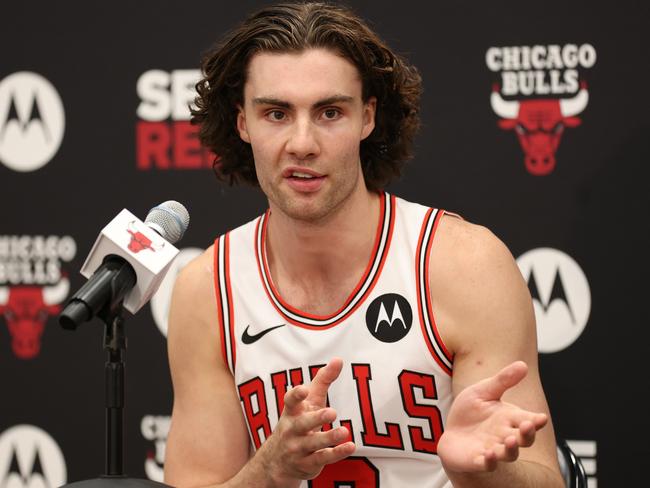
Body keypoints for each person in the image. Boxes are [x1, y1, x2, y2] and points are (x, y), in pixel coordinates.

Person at [164, 2, 564, 487]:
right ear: (243, 123)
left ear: (367, 118)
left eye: (330, 112)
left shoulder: (463, 264)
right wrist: (269, 472)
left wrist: (477, 471)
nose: (302, 142)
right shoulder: (208, 289)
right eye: (276, 113)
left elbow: (545, 480)